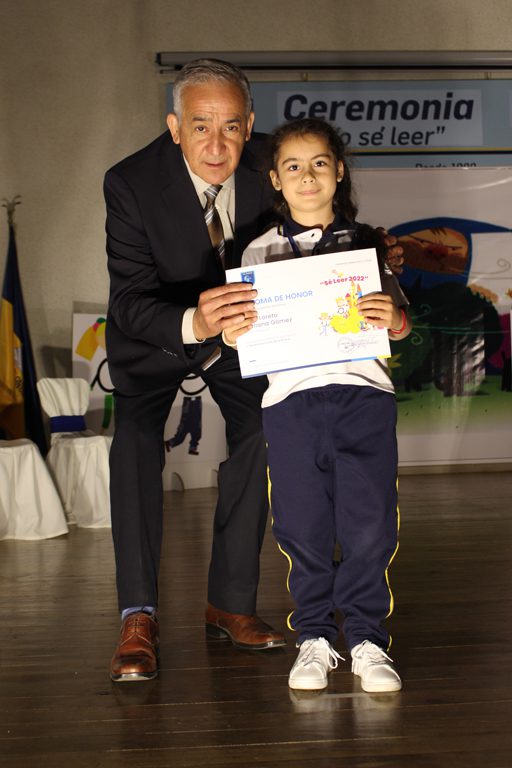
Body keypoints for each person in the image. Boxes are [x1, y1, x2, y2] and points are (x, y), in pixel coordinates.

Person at [104, 59, 404, 683]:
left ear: (250, 126)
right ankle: (138, 616)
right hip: (163, 337)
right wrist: (195, 320)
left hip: (249, 342)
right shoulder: (129, 181)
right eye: (200, 127)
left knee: (264, 435)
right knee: (133, 443)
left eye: (232, 127)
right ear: (174, 126)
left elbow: (319, 219)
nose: (217, 145)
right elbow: (129, 300)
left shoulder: (279, 159)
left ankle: (230, 604)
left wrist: (373, 253)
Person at [223, 117, 411, 693]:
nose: (308, 177)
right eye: (294, 167)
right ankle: (314, 637)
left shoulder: (369, 244)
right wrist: (234, 332)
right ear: (275, 179)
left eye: (320, 164)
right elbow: (238, 333)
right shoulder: (255, 251)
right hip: (291, 405)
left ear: (339, 171)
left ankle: (366, 640)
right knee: (301, 526)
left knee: (369, 526)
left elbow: (400, 324)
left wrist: (394, 318)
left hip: (364, 397)